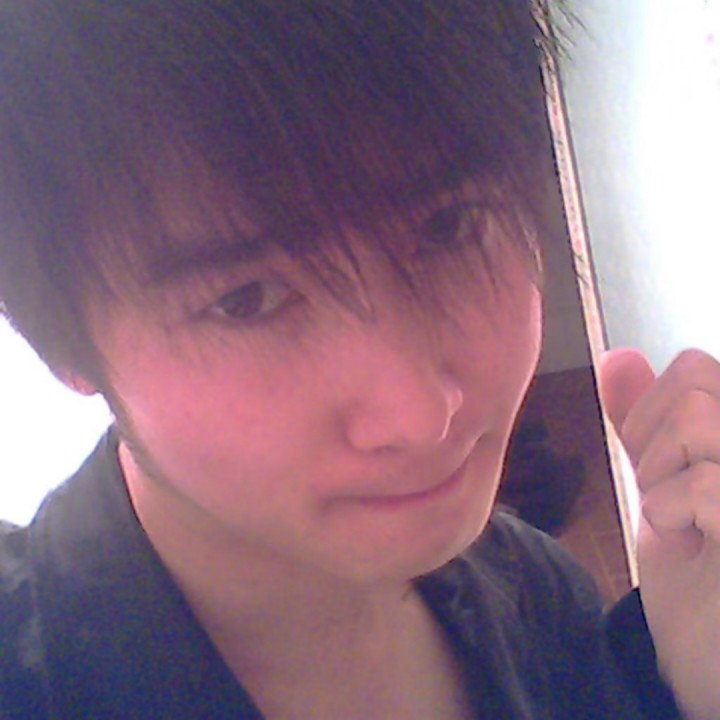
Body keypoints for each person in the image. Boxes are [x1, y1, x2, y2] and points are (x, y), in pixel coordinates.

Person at [0, 1, 718, 718]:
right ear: (65, 348)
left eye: (450, 227)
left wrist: (680, 678)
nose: (422, 416)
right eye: (246, 300)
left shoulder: (537, 593)